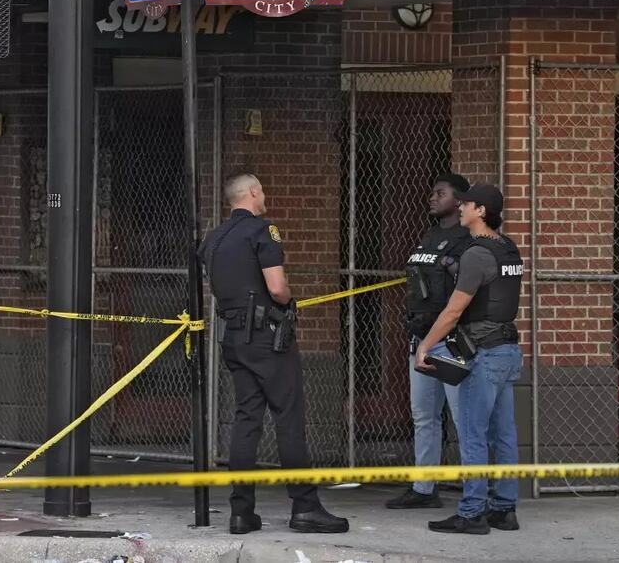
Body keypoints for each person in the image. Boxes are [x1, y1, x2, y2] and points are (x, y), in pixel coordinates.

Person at [198, 173, 349, 535]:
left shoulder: (213, 239)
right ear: (251, 192)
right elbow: (277, 288)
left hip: (233, 337)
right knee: (288, 419)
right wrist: (289, 302)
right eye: (262, 190)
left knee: (246, 420)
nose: (264, 196)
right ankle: (305, 507)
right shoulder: (263, 231)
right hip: (267, 339)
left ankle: (241, 512)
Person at [415, 183, 524, 535]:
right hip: (507, 349)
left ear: (481, 211)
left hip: (485, 352)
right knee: (504, 433)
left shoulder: (477, 254)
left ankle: (473, 511)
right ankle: (504, 508)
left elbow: (453, 310)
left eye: (467, 204)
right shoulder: (508, 248)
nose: (460, 208)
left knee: (474, 433)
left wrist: (425, 346)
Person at [386, 173, 470, 510]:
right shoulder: (430, 235)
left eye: (440, 193)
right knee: (424, 417)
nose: (432, 198)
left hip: (452, 342)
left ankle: (475, 489)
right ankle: (424, 488)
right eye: (433, 192)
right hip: (421, 339)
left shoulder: (467, 239)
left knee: (464, 419)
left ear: (459, 200)